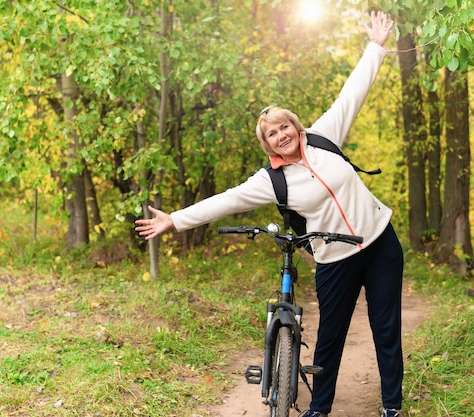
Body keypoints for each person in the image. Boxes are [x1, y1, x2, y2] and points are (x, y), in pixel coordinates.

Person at [135, 11, 402, 417]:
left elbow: (352, 92)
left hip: (380, 242)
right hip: (334, 258)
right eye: (272, 134)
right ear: (268, 144)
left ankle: (392, 406)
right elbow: (226, 199)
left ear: (295, 126)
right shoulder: (271, 180)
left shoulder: (324, 137)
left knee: (386, 329)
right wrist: (175, 218)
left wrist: (376, 46)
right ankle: (320, 409)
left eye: (284, 127)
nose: (282, 135)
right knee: (331, 336)